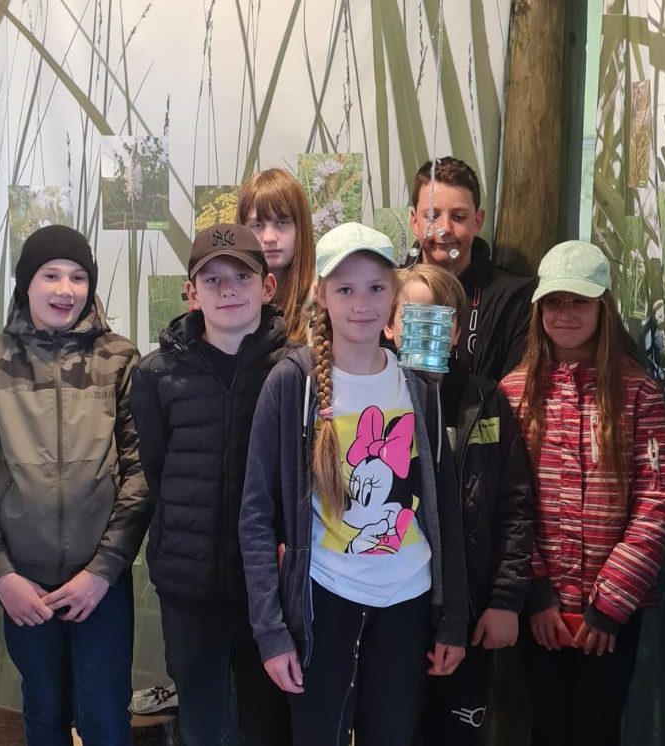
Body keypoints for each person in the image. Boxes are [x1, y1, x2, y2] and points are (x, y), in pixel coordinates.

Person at [239, 222, 469, 746]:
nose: (361, 304)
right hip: (325, 599)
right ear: (322, 294)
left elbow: (443, 507)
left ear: (393, 296)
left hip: (408, 598)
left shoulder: (418, 384)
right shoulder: (292, 383)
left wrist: (452, 617)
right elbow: (255, 515)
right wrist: (271, 632)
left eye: (375, 288)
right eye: (345, 289)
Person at [0, 225, 148, 746]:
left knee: (106, 719)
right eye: (51, 275)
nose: (65, 289)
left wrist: (103, 570)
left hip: (100, 585)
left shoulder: (120, 360)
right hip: (24, 585)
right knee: (44, 714)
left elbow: (140, 474)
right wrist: (1, 575)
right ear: (26, 284)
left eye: (78, 277)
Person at [499, 240, 665, 746]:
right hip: (541, 607)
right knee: (547, 724)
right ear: (539, 310)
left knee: (598, 726)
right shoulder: (513, 394)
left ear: (603, 307)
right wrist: (535, 593)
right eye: (554, 302)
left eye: (579, 301)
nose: (566, 314)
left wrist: (612, 601)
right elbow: (507, 502)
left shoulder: (638, 393)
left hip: (614, 611)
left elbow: (655, 501)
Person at [131, 223, 294, 745]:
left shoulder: (294, 370)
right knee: (201, 723)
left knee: (266, 723)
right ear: (191, 292)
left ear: (267, 287)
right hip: (189, 584)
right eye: (213, 279)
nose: (228, 290)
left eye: (242, 277)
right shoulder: (157, 375)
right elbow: (156, 470)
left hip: (268, 588)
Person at [384, 264, 534, 744]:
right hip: (391, 611)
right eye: (410, 315)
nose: (424, 327)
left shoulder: (486, 401)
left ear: (455, 330)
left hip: (469, 613)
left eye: (437, 317)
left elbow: (514, 506)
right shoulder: (373, 404)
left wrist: (505, 600)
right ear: (388, 326)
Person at [407, 156, 534, 380]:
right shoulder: (386, 291)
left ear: (477, 222)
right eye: (433, 216)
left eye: (458, 217)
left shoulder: (514, 298)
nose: (445, 228)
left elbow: (513, 391)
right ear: (415, 221)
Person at [237, 168, 316, 344]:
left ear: (301, 228)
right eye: (257, 225)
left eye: (282, 222)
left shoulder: (325, 300)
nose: (270, 238)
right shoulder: (228, 298)